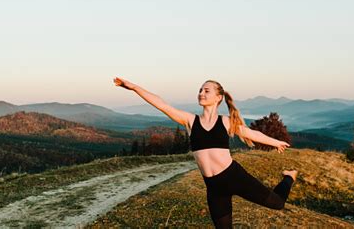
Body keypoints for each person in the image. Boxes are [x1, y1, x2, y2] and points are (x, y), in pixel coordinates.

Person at [113, 77, 298, 228]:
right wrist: (133, 87)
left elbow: (251, 133)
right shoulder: (190, 121)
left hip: (234, 176)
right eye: (200, 90)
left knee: (278, 204)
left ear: (218, 97)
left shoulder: (225, 122)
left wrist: (276, 142)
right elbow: (162, 105)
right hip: (214, 187)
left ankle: (289, 176)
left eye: (206, 90)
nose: (201, 93)